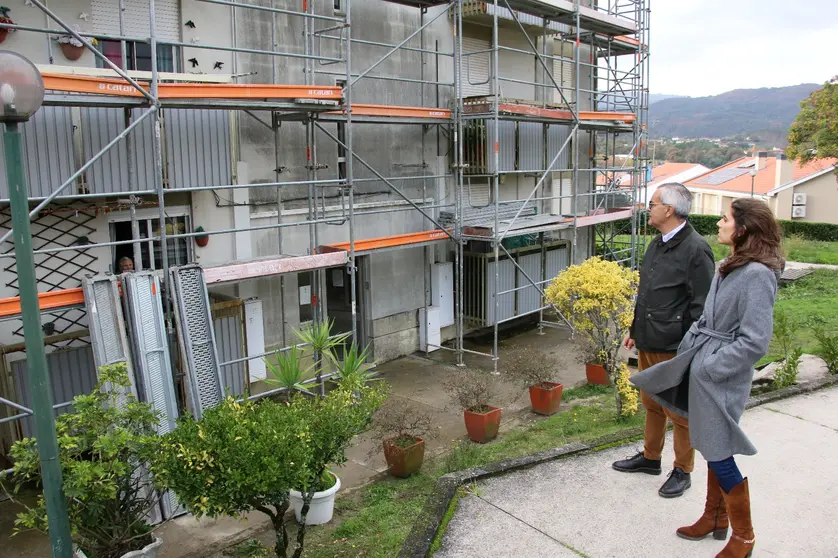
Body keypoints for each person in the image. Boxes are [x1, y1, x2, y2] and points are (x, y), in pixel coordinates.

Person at [631, 198, 784, 558]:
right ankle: (714, 519)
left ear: (742, 228)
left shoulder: (758, 275)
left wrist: (710, 366)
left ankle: (744, 539)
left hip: (723, 377)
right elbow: (707, 319)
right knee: (711, 445)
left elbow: (755, 341)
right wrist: (694, 352)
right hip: (704, 366)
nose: (718, 222)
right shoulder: (730, 265)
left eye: (726, 218)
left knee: (719, 452)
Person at [611, 183, 715, 498]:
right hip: (648, 338)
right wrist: (634, 328)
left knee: (678, 411)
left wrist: (689, 350)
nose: (648, 207)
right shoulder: (657, 243)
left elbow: (702, 306)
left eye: (653, 203)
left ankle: (683, 470)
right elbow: (648, 292)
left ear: (668, 210)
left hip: (674, 346)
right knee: (651, 403)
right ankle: (650, 458)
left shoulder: (696, 249)